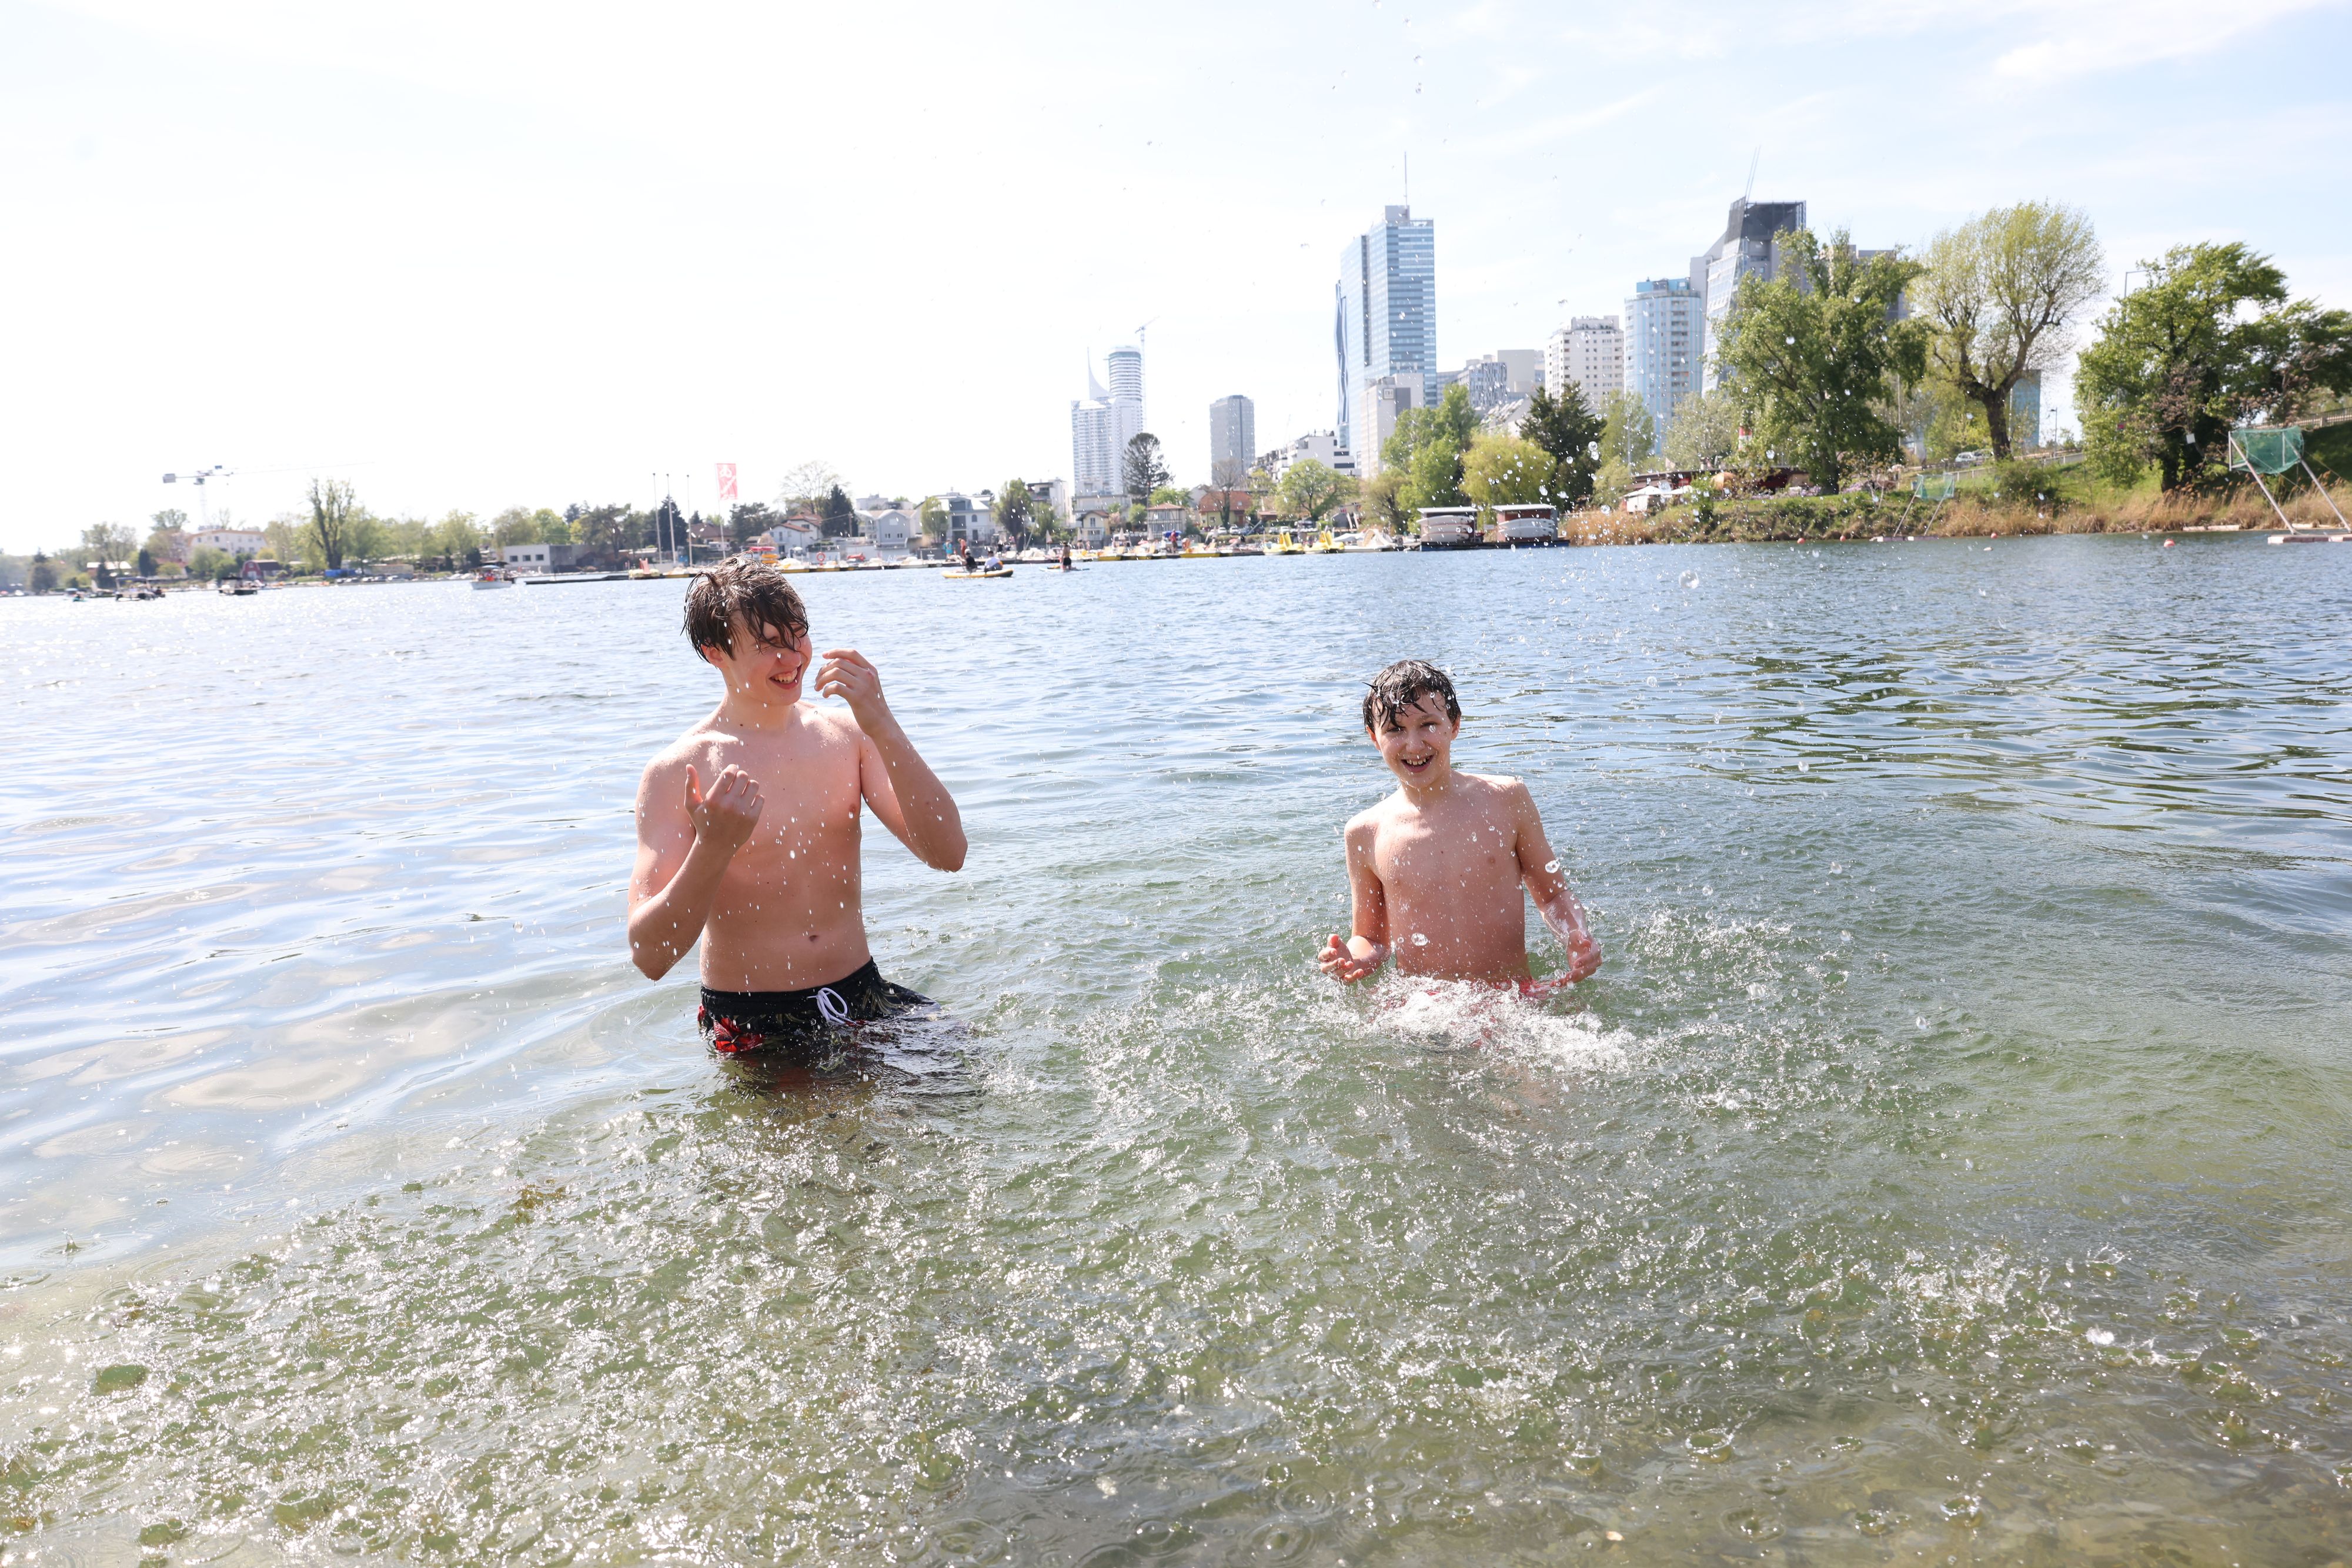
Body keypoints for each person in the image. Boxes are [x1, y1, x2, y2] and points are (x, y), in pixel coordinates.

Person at [628, 557, 967, 1056]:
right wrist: (714, 848)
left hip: (860, 993)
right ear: (714, 651)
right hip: (754, 1018)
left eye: (797, 635)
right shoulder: (681, 770)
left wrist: (884, 725)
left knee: (973, 1086)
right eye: (767, 645)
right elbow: (650, 956)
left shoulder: (847, 735)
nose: (792, 659)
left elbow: (949, 853)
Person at [1318, 659, 1601, 995]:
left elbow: (1553, 895)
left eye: (1428, 724)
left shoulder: (1506, 799)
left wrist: (1576, 935)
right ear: (1374, 738)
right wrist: (1353, 959)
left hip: (1513, 995)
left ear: (1454, 725)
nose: (1414, 745)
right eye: (1395, 730)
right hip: (1422, 1007)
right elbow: (1372, 939)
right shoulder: (1365, 832)